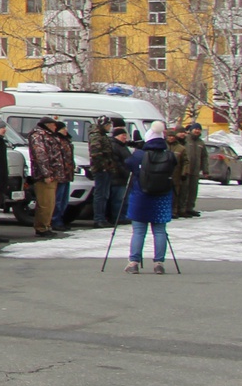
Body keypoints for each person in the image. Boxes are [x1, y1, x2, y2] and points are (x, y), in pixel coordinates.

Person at [125, 120, 177, 273]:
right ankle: (159, 263)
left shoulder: (139, 155)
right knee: (160, 231)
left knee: (139, 231)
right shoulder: (170, 156)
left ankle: (134, 263)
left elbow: (127, 164)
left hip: (141, 197)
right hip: (162, 198)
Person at [27, 116, 70, 237]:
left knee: (51, 202)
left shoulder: (50, 135)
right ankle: (41, 227)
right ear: (47, 124)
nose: (55, 127)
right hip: (44, 176)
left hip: (54, 175)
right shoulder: (38, 135)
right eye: (53, 124)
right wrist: (46, 174)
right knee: (45, 202)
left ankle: (46, 225)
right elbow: (40, 156)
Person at [88, 117, 128, 229]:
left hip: (107, 170)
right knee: (100, 195)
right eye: (108, 125)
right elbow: (96, 154)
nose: (110, 127)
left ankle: (102, 218)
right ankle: (99, 219)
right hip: (101, 170)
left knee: (105, 195)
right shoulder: (96, 136)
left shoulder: (103, 135)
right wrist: (105, 166)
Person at [177, 121, 206, 218]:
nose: (197, 131)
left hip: (195, 170)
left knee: (193, 190)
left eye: (199, 129)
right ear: (191, 130)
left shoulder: (201, 143)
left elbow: (204, 157)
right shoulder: (186, 140)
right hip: (185, 170)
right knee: (184, 189)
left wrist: (205, 169)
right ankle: (182, 208)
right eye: (195, 129)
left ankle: (190, 208)